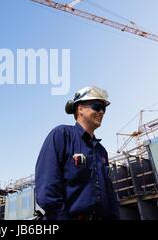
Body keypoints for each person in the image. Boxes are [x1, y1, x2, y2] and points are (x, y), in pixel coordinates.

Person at [35, 85, 120, 220]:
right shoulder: (61, 135)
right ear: (80, 109)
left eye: (104, 108)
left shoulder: (101, 151)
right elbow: (47, 189)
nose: (102, 112)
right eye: (97, 106)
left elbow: (110, 195)